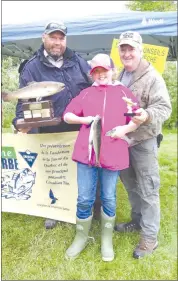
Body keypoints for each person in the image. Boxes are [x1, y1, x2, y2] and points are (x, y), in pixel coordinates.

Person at [12, 20, 91, 229]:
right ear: (43, 38)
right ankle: (54, 209)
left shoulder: (79, 62)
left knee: (80, 170)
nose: (57, 42)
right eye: (53, 37)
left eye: (61, 38)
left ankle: (83, 206)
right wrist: (20, 123)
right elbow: (24, 101)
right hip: (49, 130)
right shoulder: (32, 67)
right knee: (53, 172)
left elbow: (95, 88)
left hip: (78, 128)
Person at [63, 53, 140, 261]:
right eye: (96, 71)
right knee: (85, 197)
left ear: (112, 70)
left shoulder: (124, 92)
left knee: (108, 196)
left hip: (113, 153)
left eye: (104, 70)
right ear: (92, 74)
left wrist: (125, 129)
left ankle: (107, 239)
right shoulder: (86, 94)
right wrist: (84, 119)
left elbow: (136, 117)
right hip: (86, 154)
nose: (100, 74)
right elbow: (67, 115)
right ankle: (81, 237)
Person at [114, 31, 172, 259]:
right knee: (130, 185)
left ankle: (149, 238)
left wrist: (146, 115)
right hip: (124, 141)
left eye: (131, 49)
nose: (127, 53)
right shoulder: (122, 73)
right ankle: (137, 221)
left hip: (144, 141)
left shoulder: (152, 77)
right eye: (123, 49)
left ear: (140, 50)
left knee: (148, 188)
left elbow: (164, 108)